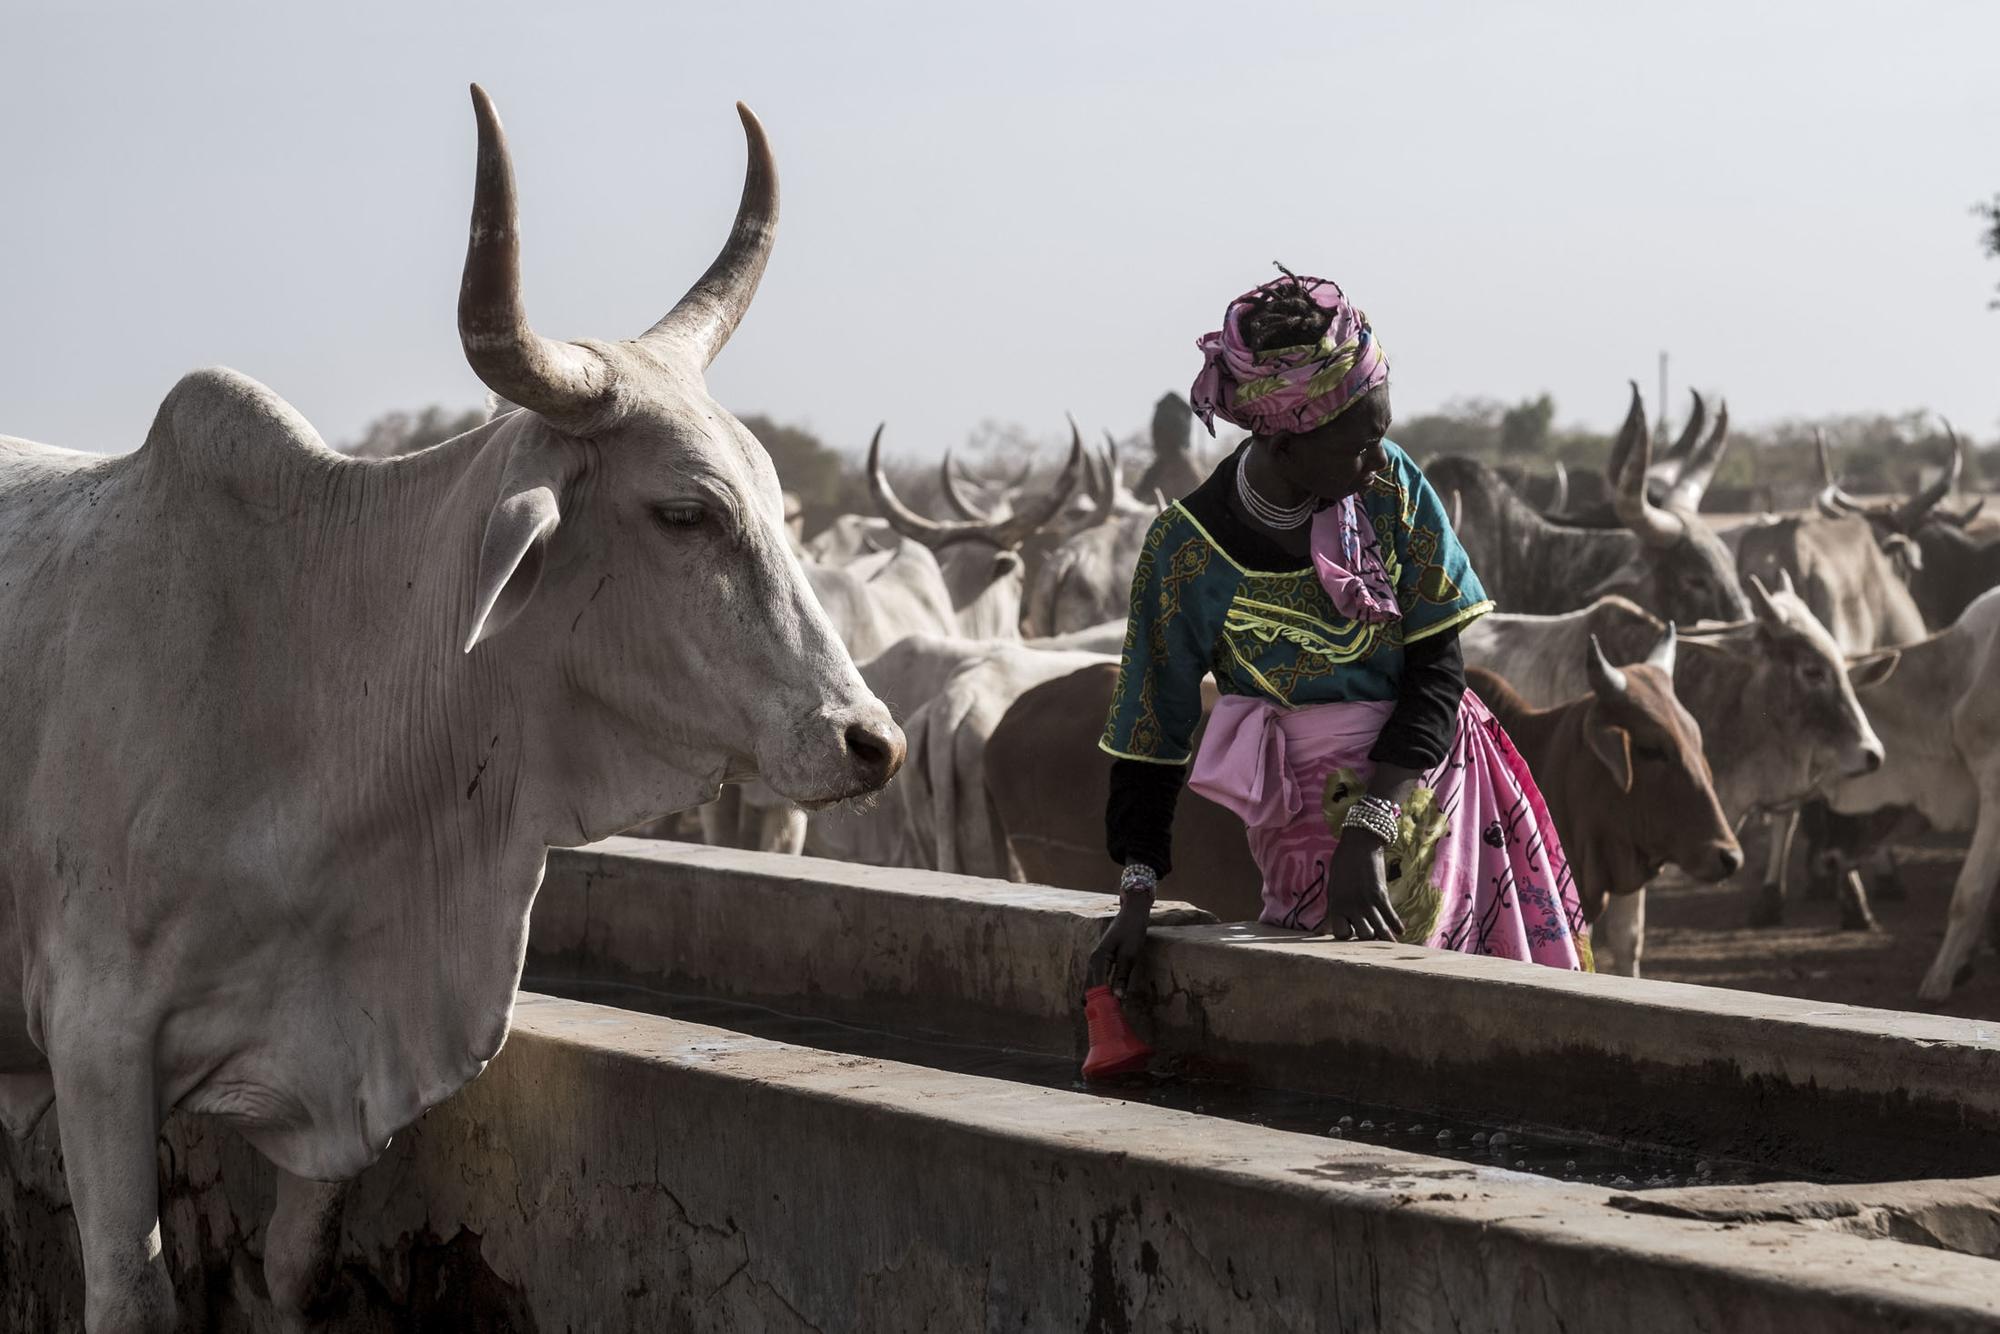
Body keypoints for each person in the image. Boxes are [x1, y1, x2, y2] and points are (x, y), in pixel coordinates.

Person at [1091, 268, 1588, 992]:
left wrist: (1373, 821)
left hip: (1427, 786)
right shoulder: (1185, 551)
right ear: (1285, 442)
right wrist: (1136, 895)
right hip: (1294, 814)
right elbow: (1149, 733)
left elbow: (1438, 669)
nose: (1378, 459)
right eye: (1359, 443)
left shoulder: (1390, 490)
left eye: (1382, 432)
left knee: (1450, 990)